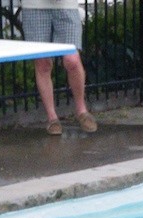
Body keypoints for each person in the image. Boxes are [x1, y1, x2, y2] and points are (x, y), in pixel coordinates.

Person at [23, 0, 97, 135]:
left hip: (66, 5)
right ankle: (52, 118)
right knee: (42, 62)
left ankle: (81, 111)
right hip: (34, 6)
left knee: (72, 60)